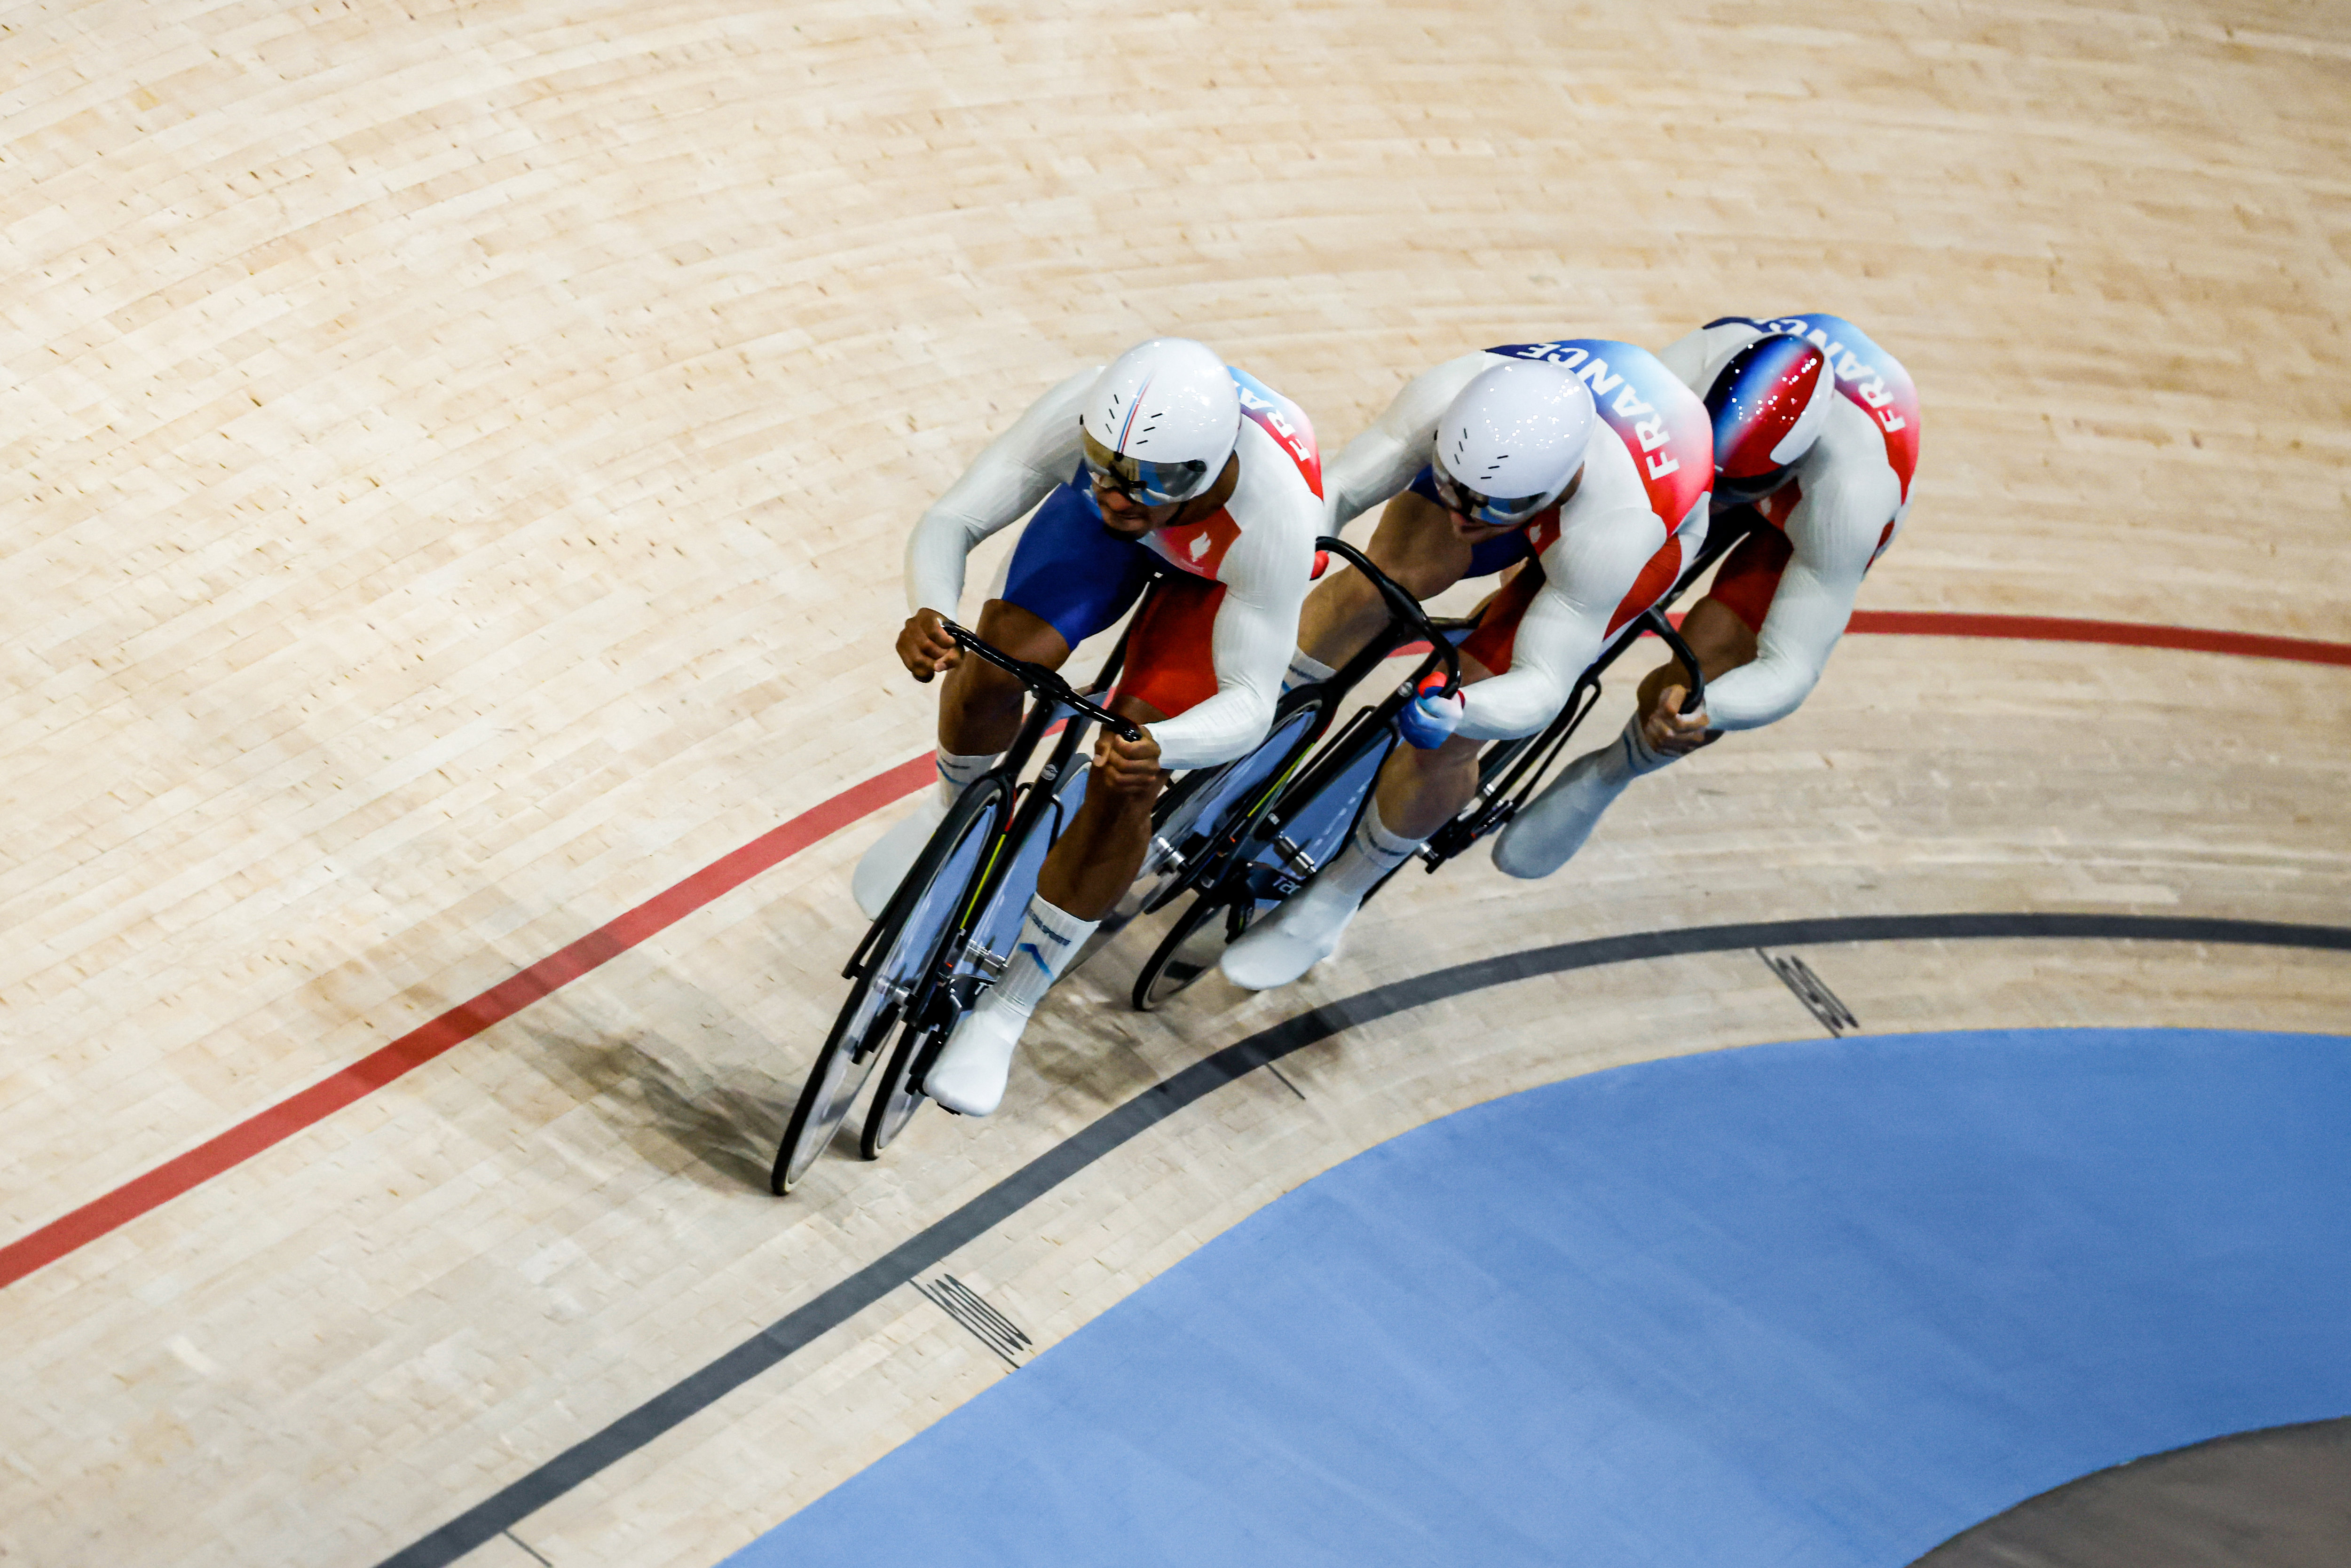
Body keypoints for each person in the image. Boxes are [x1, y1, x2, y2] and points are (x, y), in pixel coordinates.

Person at [855, 337, 1321, 1115]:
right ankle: (954, 829)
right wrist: (931, 608)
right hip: (1137, 542)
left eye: (1147, 484)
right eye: (1104, 469)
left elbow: (1249, 700)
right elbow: (954, 518)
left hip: (1216, 577)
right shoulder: (1095, 431)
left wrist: (1162, 747)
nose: (1118, 497)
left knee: (1123, 776)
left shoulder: (1275, 512)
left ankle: (1007, 1012)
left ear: (1207, 472)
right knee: (991, 660)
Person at [1218, 337, 1712, 990]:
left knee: (1460, 718)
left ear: (1565, 479)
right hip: (1506, 468)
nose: (1468, 517)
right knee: (1373, 586)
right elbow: (1329, 494)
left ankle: (1334, 899)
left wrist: (1464, 707)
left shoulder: (1616, 522)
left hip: (1643, 523)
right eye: (1454, 488)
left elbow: (1540, 687)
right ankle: (1236, 751)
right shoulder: (1450, 396)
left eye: (1497, 509)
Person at [1489, 314, 1921, 879]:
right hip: (1686, 457)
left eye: (1733, 493)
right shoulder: (1675, 381)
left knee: (1702, 674)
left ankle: (1611, 772)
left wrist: (1707, 709)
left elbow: (1788, 668)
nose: (1715, 506)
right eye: (1713, 487)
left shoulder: (1849, 494)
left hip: (1805, 516)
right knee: (1573, 569)